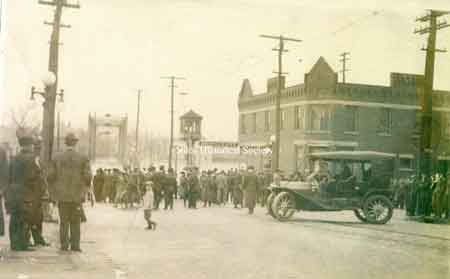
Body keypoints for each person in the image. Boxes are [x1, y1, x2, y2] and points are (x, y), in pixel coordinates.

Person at [48, 133, 92, 252]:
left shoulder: (56, 157)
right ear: (75, 143)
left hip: (62, 196)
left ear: (65, 142)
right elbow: (88, 176)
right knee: (76, 222)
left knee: (63, 222)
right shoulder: (83, 158)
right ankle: (75, 245)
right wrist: (85, 189)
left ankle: (64, 245)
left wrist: (54, 190)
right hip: (77, 196)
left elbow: (50, 176)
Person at [4, 128, 40, 251]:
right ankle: (23, 244)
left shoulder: (13, 158)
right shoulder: (31, 159)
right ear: (29, 146)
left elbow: (8, 175)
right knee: (25, 218)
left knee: (14, 218)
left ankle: (14, 244)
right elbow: (33, 177)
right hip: (26, 192)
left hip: (13, 192)